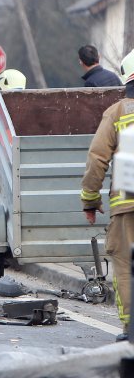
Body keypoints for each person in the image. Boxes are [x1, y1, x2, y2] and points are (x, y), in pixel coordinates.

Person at [80, 48, 134, 341]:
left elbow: (97, 159)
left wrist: (90, 200)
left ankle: (130, 330)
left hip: (127, 205)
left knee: (125, 264)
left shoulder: (116, 113)